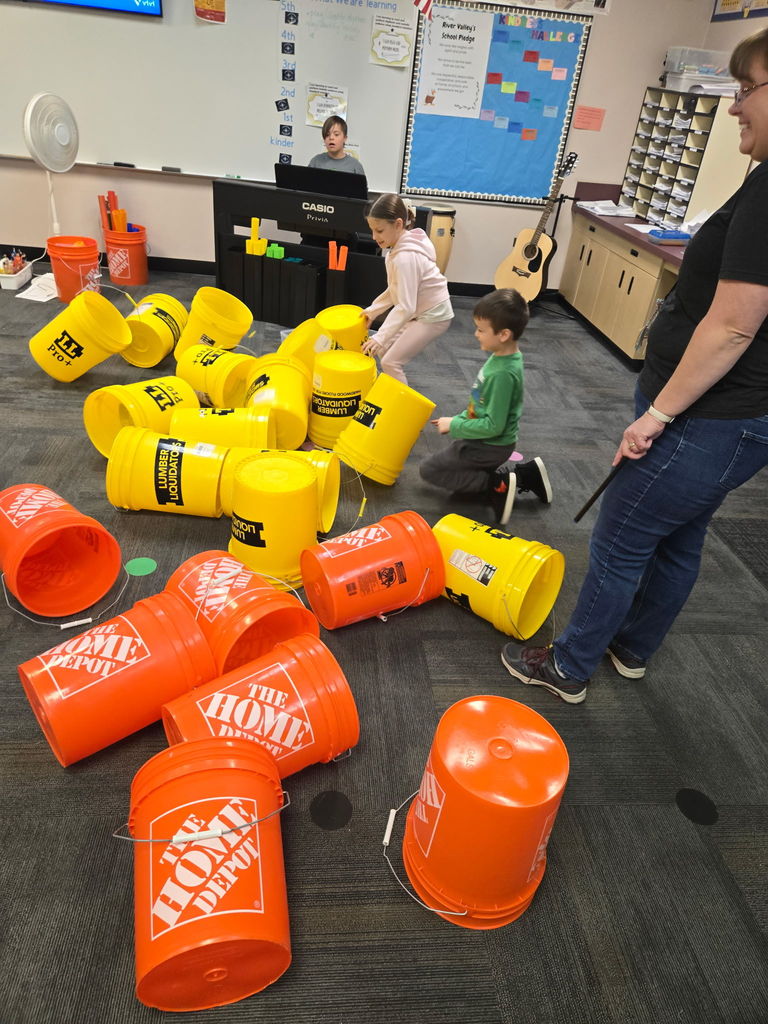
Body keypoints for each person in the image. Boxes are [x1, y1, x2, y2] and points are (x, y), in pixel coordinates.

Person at [500, 27, 768, 705]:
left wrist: (656, 415)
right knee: (678, 534)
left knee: (622, 535)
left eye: (746, 91)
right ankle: (631, 647)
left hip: (708, 416)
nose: (735, 108)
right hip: (734, 420)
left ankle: (568, 666)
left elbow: (734, 323)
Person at [419, 288, 552, 525]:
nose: (476, 334)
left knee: (430, 470)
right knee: (446, 469)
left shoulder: (502, 373)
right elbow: (481, 403)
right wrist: (460, 419)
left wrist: (456, 424)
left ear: (503, 334)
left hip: (489, 445)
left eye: (481, 330)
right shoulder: (502, 357)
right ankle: (525, 476)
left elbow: (493, 426)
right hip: (483, 441)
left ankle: (497, 485)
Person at [362, 193, 454, 385]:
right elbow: (395, 289)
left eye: (379, 230)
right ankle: (391, 396)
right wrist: (372, 311)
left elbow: (406, 306)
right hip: (419, 310)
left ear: (398, 224)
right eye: (372, 230)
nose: (374, 237)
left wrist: (379, 336)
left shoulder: (405, 258)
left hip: (434, 315)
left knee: (390, 361)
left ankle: (403, 408)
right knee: (384, 349)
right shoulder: (396, 249)